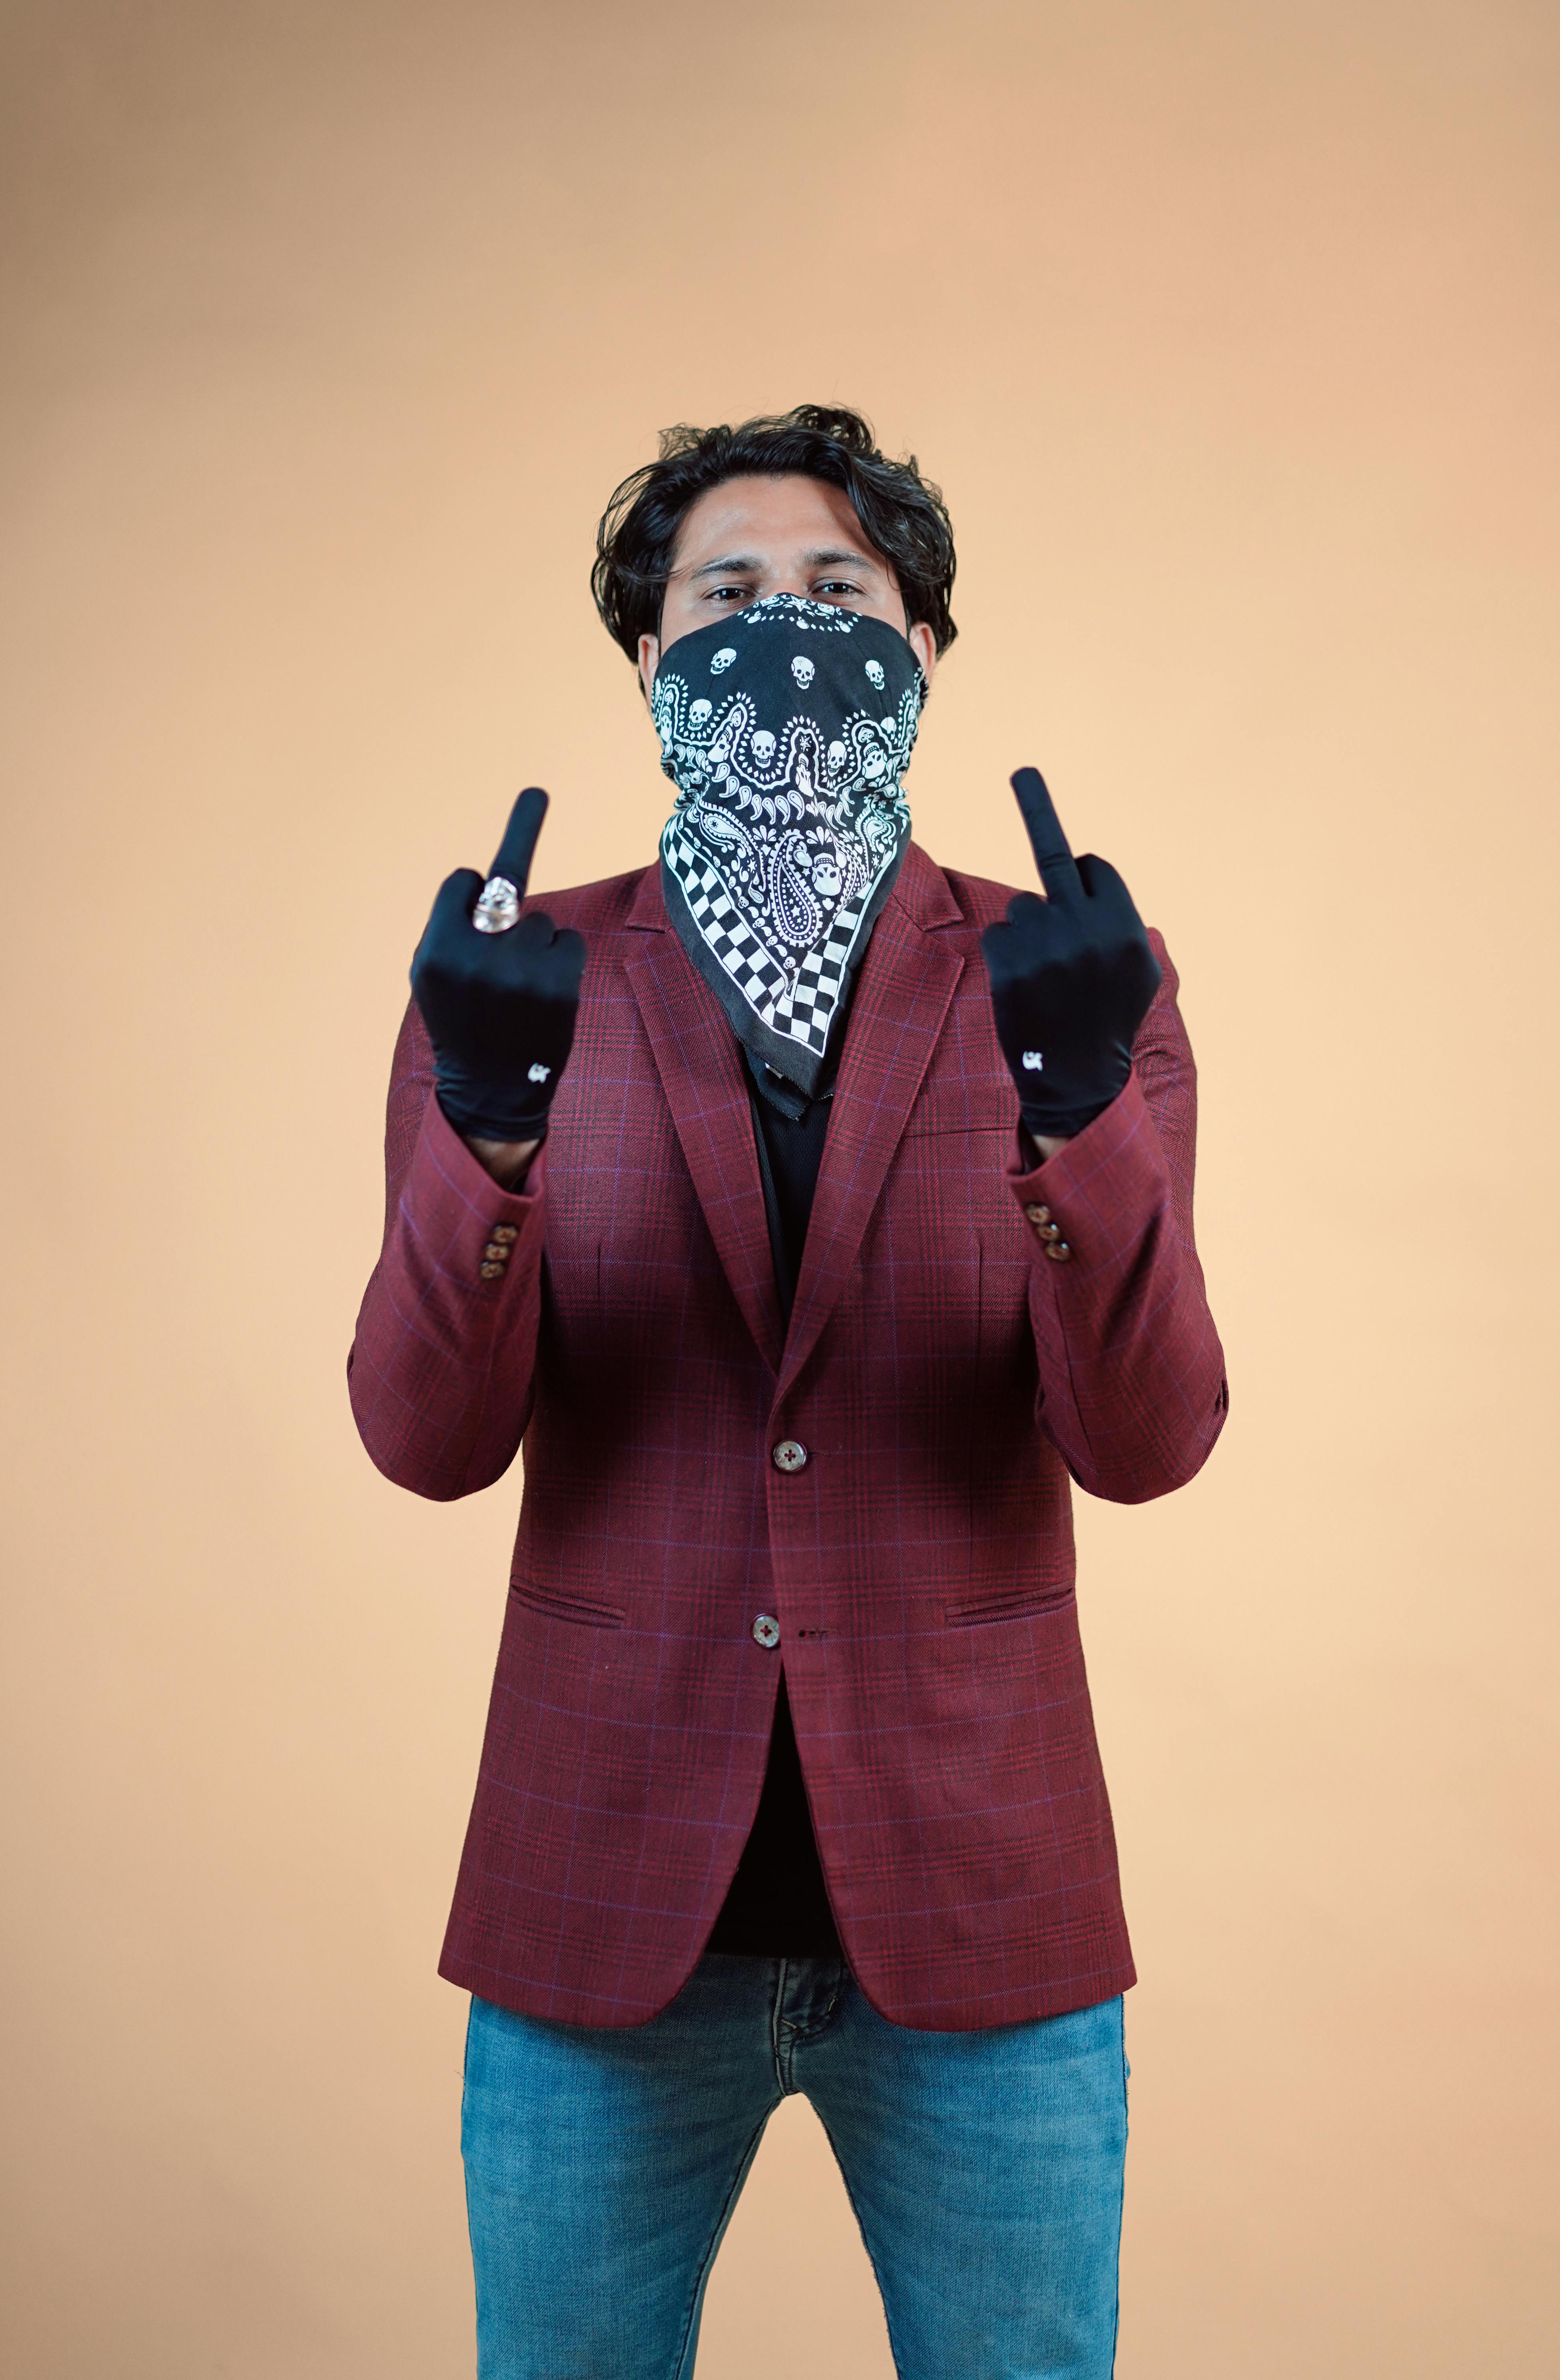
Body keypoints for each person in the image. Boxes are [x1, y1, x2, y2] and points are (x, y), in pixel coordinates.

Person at [348, 405, 1227, 2380]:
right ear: (650, 665)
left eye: (839, 591)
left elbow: (1149, 1441)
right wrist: (481, 1129)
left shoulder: (1075, 973)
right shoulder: (512, 981)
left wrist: (1080, 1108)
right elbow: (423, 1441)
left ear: (921, 653)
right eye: (724, 596)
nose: (782, 631)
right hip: (601, 1904)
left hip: (979, 1914)